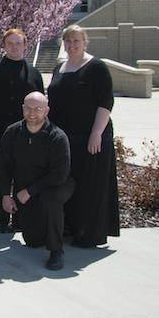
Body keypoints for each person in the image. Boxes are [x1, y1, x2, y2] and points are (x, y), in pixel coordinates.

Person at [47, 24, 119, 247]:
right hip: (66, 141)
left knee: (90, 187)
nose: (71, 45)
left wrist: (96, 133)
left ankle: (89, 235)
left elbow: (105, 102)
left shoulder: (96, 67)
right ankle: (70, 227)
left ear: (85, 42)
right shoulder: (60, 68)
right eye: (68, 41)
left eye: (76, 41)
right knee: (69, 185)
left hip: (91, 140)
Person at [0, 91, 74, 270]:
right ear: (23, 109)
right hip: (29, 188)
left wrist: (30, 191)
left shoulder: (57, 137)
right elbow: (4, 166)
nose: (32, 113)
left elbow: (59, 175)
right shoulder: (12, 133)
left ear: (47, 111)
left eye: (38, 109)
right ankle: (55, 227)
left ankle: (56, 250)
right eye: (28, 108)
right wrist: (5, 195)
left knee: (50, 198)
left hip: (57, 185)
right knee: (32, 241)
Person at [0, 29, 44, 233]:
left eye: (18, 43)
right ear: (4, 46)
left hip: (29, 136)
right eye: (10, 43)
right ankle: (2, 220)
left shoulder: (34, 73)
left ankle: (22, 219)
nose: (14, 47)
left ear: (25, 46)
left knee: (26, 177)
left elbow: (41, 106)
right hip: (1, 137)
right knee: (2, 178)